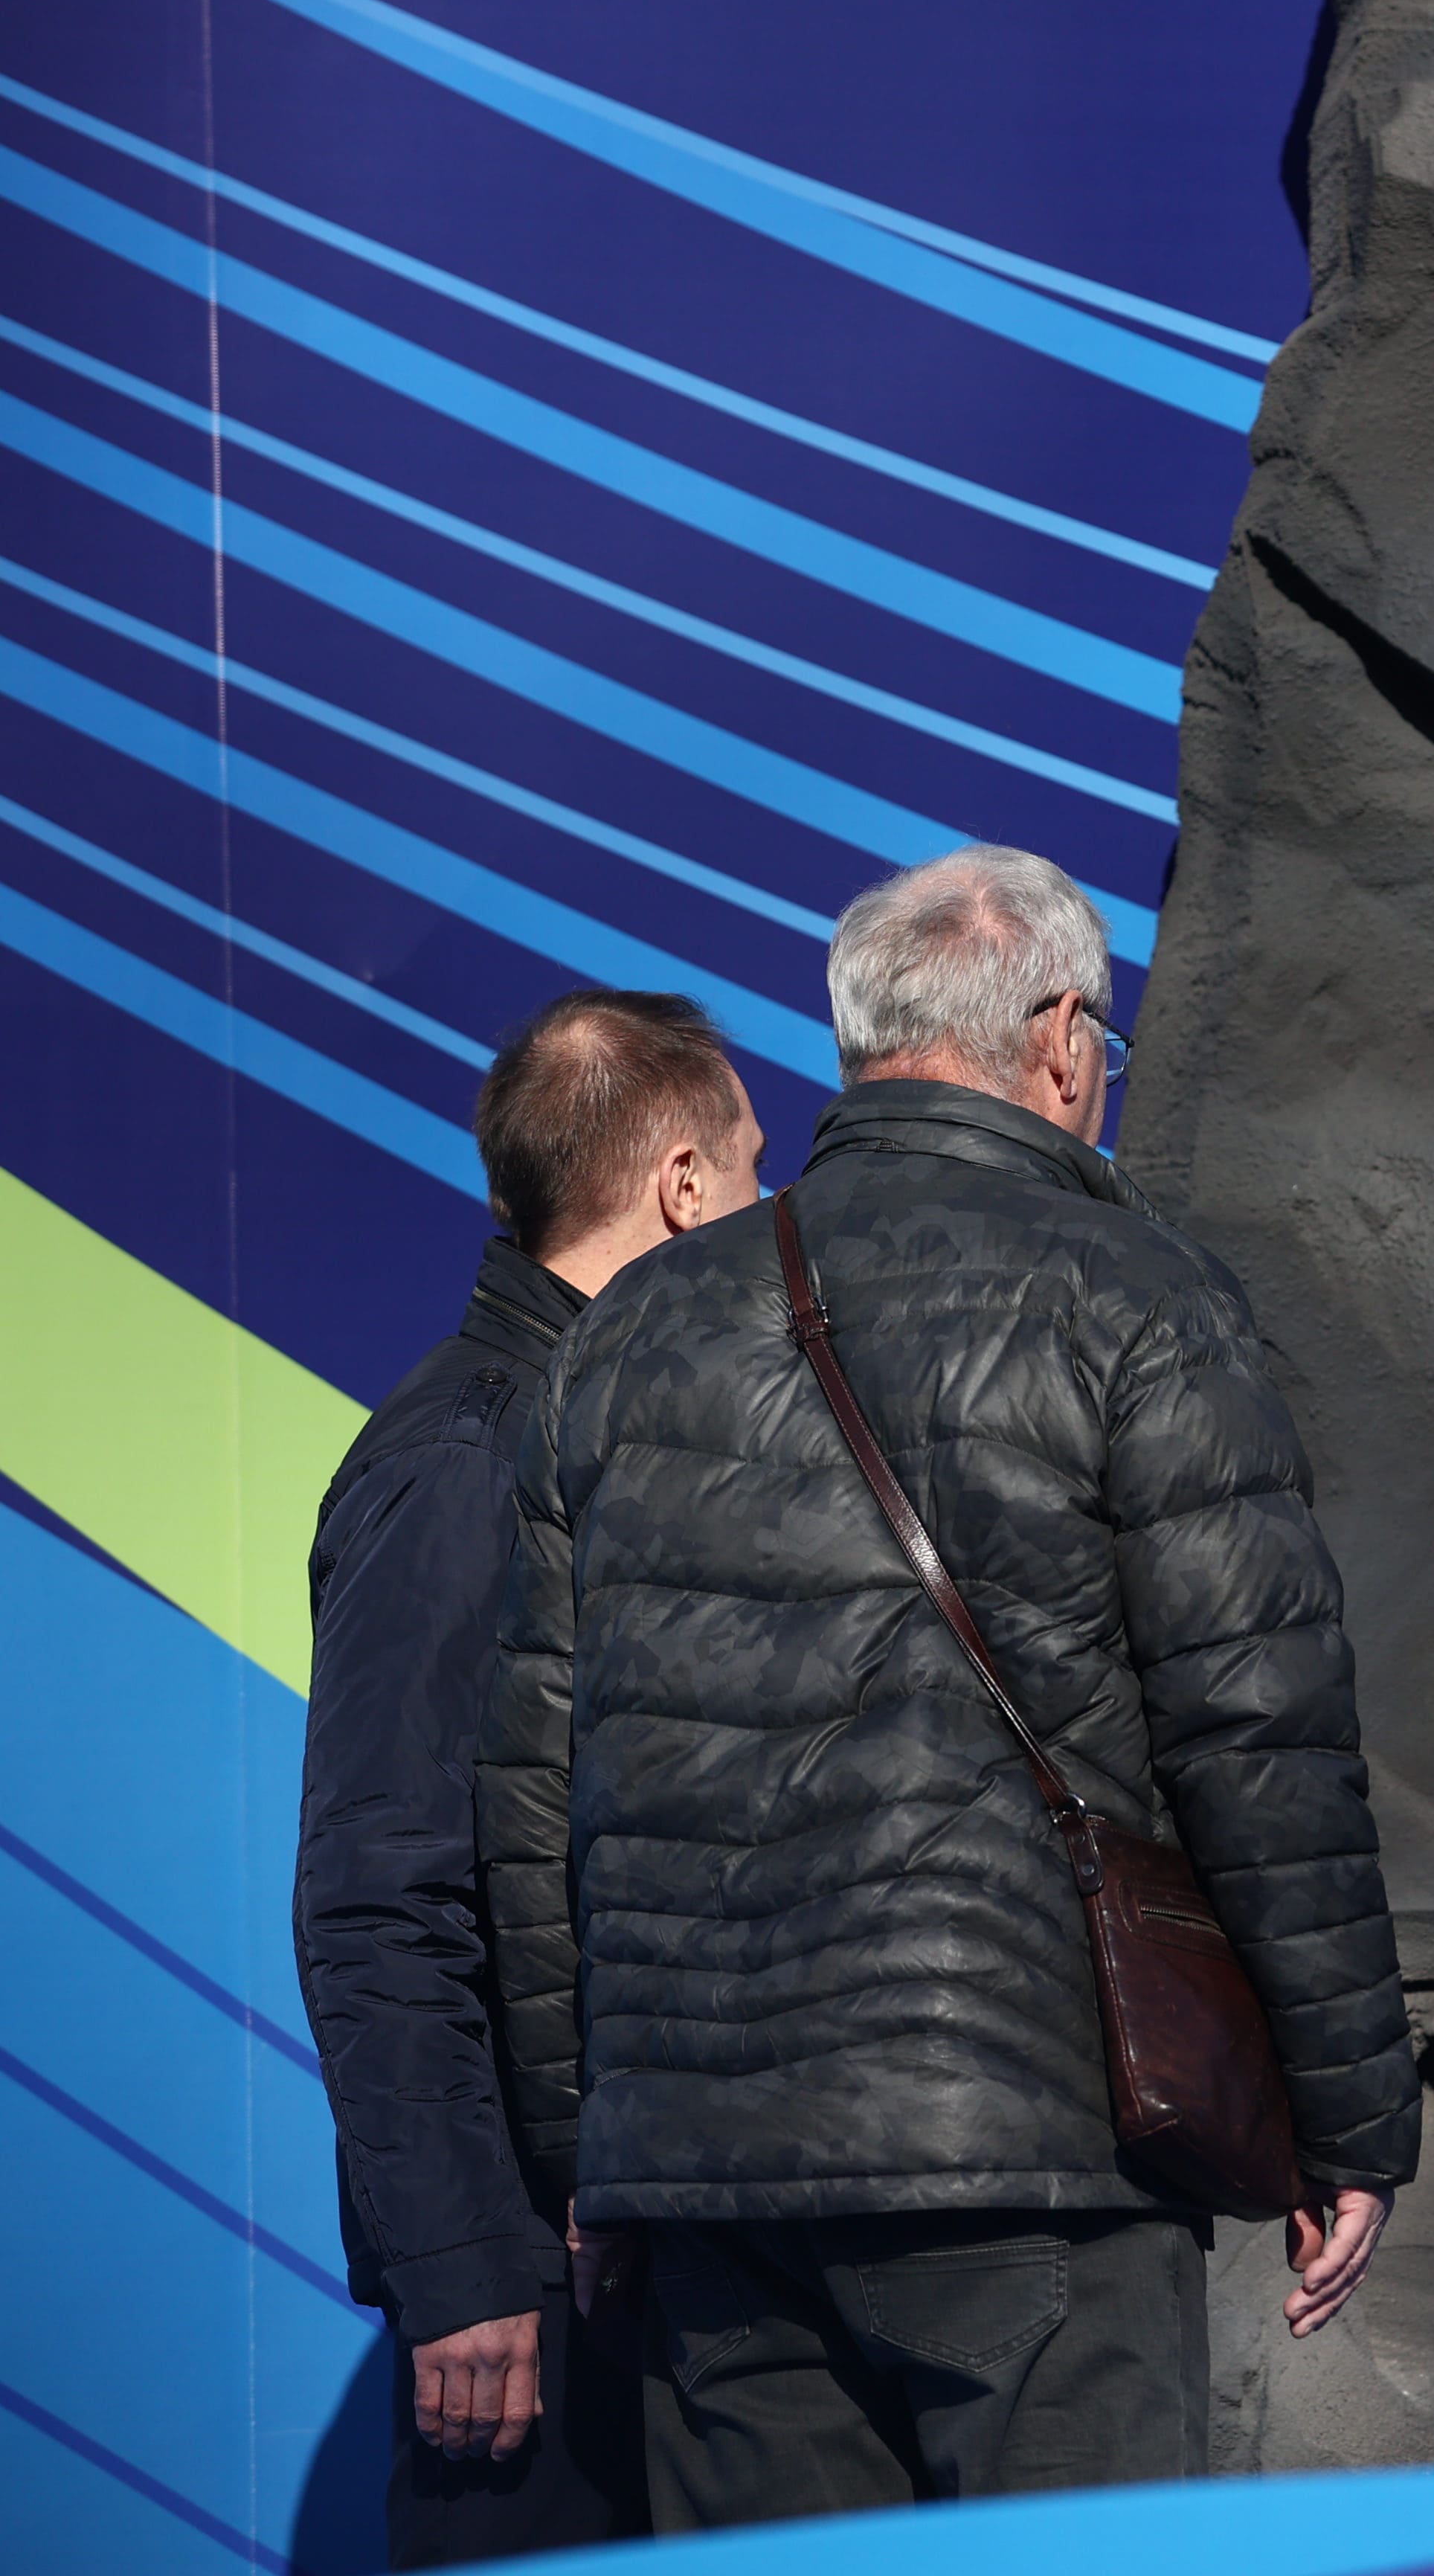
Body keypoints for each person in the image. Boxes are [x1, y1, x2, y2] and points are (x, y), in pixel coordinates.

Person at [478, 844, 1418, 2526]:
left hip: (711, 2183)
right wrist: (1347, 2113)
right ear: (1058, 1040)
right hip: (1033, 2150)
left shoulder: (620, 1338)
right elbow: (1259, 1738)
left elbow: (537, 1794)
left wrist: (588, 2154)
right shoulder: (1140, 1297)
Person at [295, 989, 760, 2564]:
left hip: (645, 2249)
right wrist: (464, 2266)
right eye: (749, 1168)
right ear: (683, 1186)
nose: (763, 1209)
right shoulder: (466, 1460)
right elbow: (380, 1893)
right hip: (531, 2300)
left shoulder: (613, 1431)